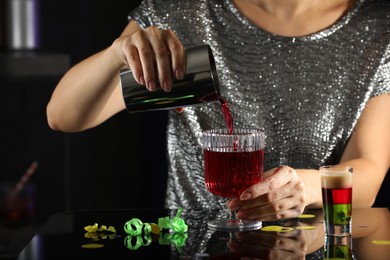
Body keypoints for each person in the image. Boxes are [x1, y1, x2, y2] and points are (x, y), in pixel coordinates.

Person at [46, 0, 390, 221]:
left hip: (312, 245)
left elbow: (369, 174)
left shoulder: (378, 28)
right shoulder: (181, 16)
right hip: (192, 243)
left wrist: (306, 187)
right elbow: (64, 116)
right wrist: (116, 55)